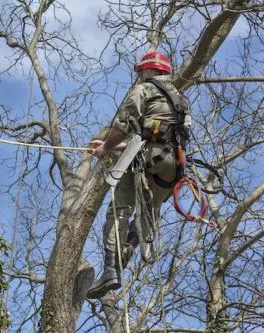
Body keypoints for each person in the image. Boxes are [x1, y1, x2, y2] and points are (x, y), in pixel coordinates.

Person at [86, 51, 190, 299]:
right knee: (149, 213)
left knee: (119, 210)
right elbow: (157, 137)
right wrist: (112, 145)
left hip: (145, 161)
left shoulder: (143, 90)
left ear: (149, 71)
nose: (140, 76)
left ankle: (111, 268)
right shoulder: (181, 101)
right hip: (172, 166)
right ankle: (126, 254)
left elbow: (124, 126)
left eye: (141, 72)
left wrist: (106, 147)